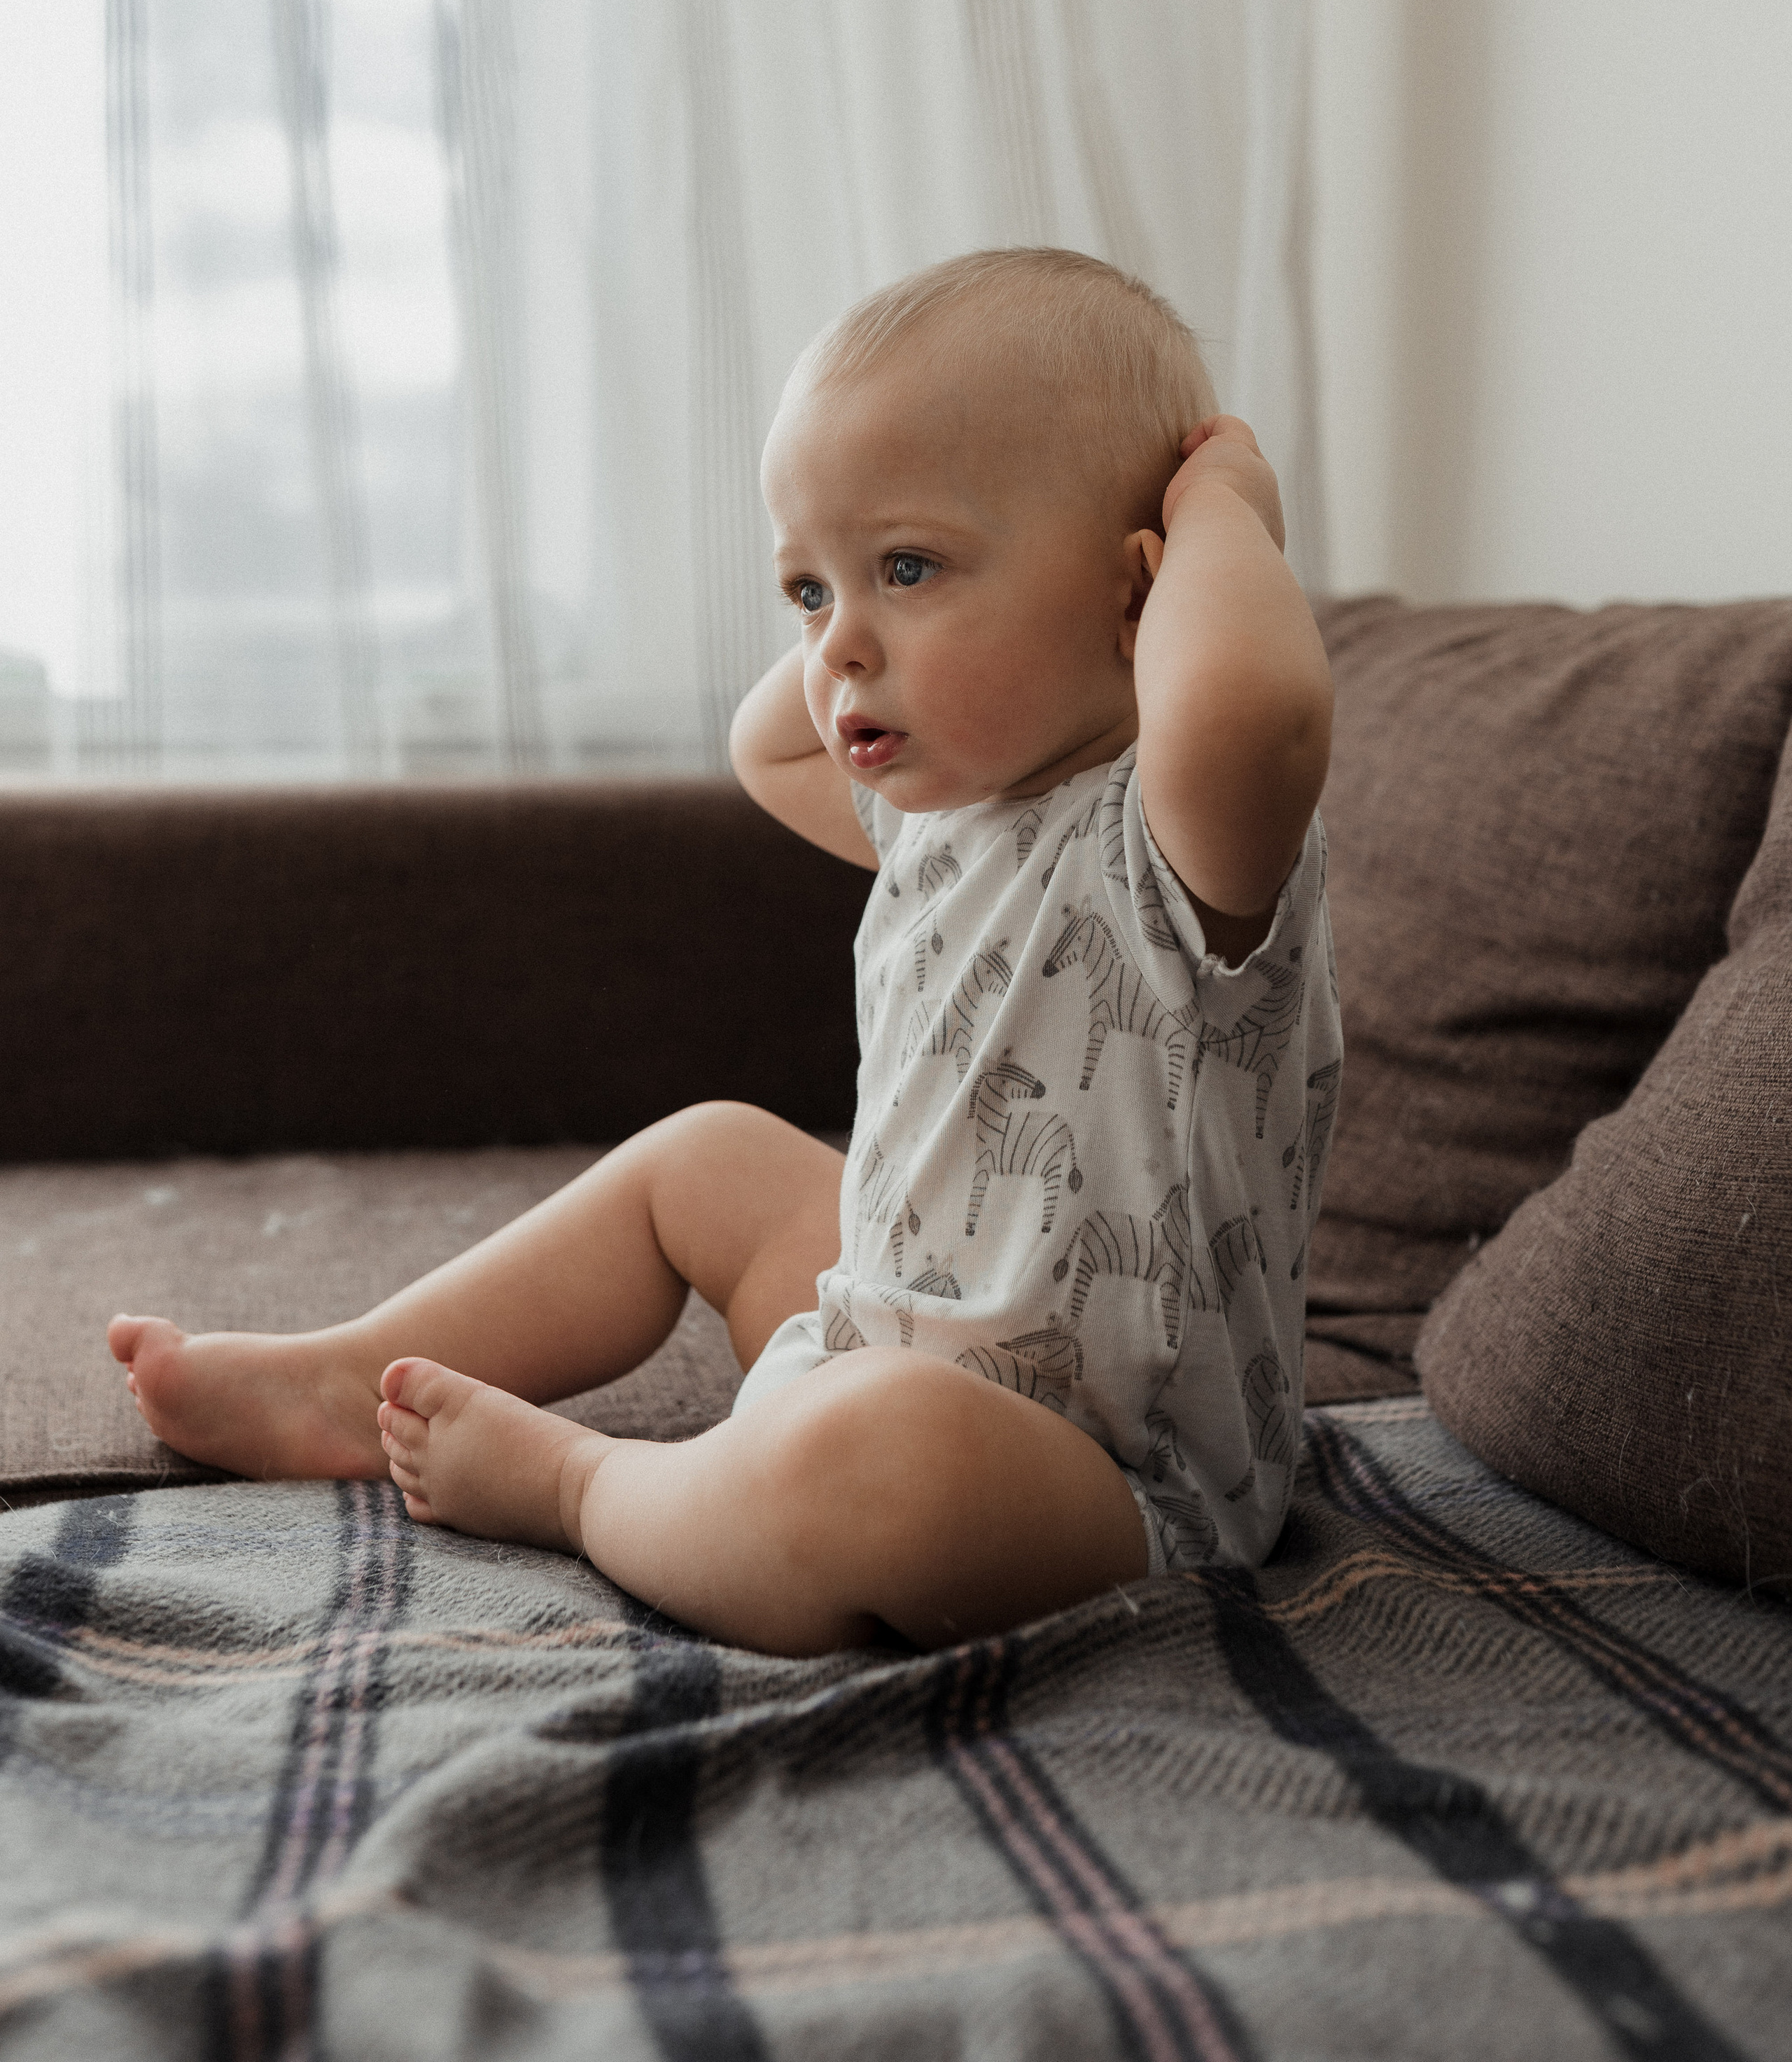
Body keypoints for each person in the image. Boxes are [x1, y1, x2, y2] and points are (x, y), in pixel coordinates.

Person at [108, 249, 1340, 1657]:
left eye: (909, 566)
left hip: (1100, 1488)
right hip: (876, 1342)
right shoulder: (947, 812)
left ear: (1139, 595)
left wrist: (1219, 505)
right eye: (807, 596)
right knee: (706, 1157)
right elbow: (765, 747)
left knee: (889, 1457)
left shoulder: (1187, 837)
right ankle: (349, 1378)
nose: (837, 651)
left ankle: (588, 1488)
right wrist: (851, 568)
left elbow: (1249, 708)